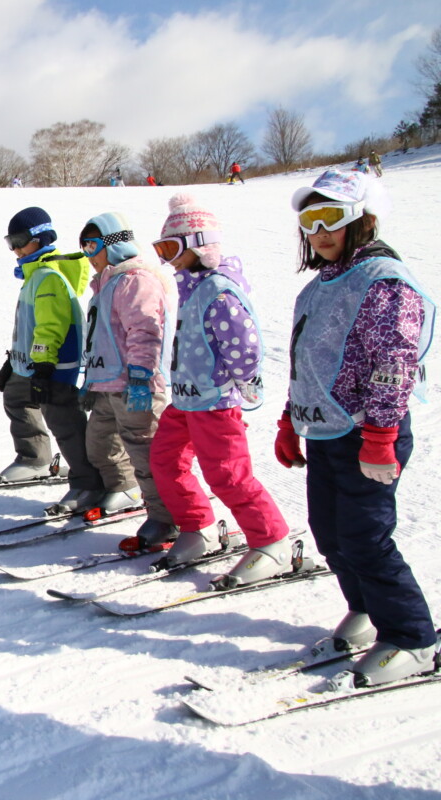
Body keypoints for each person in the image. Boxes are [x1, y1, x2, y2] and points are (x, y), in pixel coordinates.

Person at [278, 169, 437, 687]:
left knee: (366, 539)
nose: (319, 232)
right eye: (309, 220)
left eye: (331, 218)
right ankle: (366, 608)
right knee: (330, 535)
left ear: (361, 219)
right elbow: (305, 360)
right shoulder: (317, 287)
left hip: (368, 434)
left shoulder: (383, 281)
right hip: (325, 431)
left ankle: (413, 638)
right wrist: (289, 419)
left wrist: (381, 436)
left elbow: (394, 361)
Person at [146, 194, 292, 579]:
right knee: (164, 460)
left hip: (216, 402)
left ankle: (271, 541)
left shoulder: (219, 290)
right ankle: (198, 527)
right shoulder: (193, 286)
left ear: (199, 245)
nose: (167, 259)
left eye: (171, 248)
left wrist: (243, 385)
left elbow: (244, 347)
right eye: (161, 250)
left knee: (228, 475)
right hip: (186, 400)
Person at [0, 207, 120, 514]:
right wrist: (14, 361)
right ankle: (33, 458)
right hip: (32, 363)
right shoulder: (35, 274)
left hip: (53, 365)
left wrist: (44, 365)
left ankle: (88, 483)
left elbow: (51, 327)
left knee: (64, 421)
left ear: (41, 239)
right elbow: (30, 326)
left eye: (20, 241)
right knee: (15, 397)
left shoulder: (48, 277)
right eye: (10, 242)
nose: (16, 250)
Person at [78, 212, 173, 543]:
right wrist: (90, 382)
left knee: (145, 454)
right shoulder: (105, 284)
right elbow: (99, 339)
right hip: (106, 386)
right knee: (99, 445)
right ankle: (124, 487)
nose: (88, 255)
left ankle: (167, 517)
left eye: (92, 246)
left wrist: (141, 377)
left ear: (113, 244)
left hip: (134, 386)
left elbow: (145, 331)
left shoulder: (134, 281)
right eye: (83, 247)